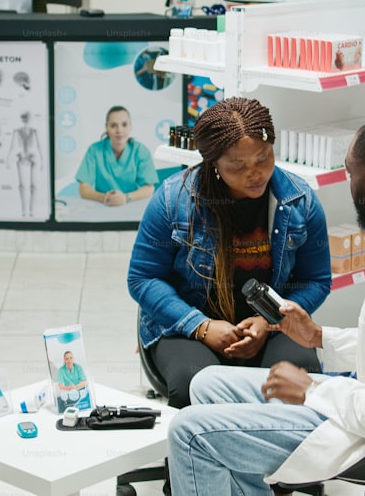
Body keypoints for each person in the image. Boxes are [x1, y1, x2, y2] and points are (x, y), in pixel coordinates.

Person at [166, 113, 365, 496]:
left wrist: (310, 391)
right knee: (208, 383)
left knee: (189, 432)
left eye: (350, 173)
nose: (349, 184)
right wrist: (319, 336)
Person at [127, 97, 332, 409]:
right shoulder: (172, 199)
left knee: (298, 385)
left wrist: (271, 321)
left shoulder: (299, 201)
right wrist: (202, 326)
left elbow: (316, 280)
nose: (255, 173)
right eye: (238, 165)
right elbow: (143, 278)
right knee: (193, 387)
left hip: (272, 327)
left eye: (264, 158)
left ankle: (278, 456)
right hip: (187, 327)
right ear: (214, 163)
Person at [76, 106, 158, 206]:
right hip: (102, 206)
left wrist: (126, 198)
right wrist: (104, 198)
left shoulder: (140, 151)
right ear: (106, 127)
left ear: (130, 126)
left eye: (124, 124)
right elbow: (83, 188)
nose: (119, 130)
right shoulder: (94, 150)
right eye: (113, 125)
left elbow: (149, 188)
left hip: (131, 205)